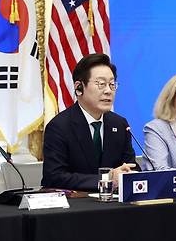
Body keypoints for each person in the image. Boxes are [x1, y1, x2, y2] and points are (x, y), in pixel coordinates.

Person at [42, 53, 137, 191]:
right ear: (79, 88)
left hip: (114, 202)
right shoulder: (59, 127)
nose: (108, 91)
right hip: (76, 203)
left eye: (112, 84)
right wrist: (107, 179)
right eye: (101, 84)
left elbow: (130, 166)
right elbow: (54, 177)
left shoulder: (119, 124)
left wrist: (129, 174)